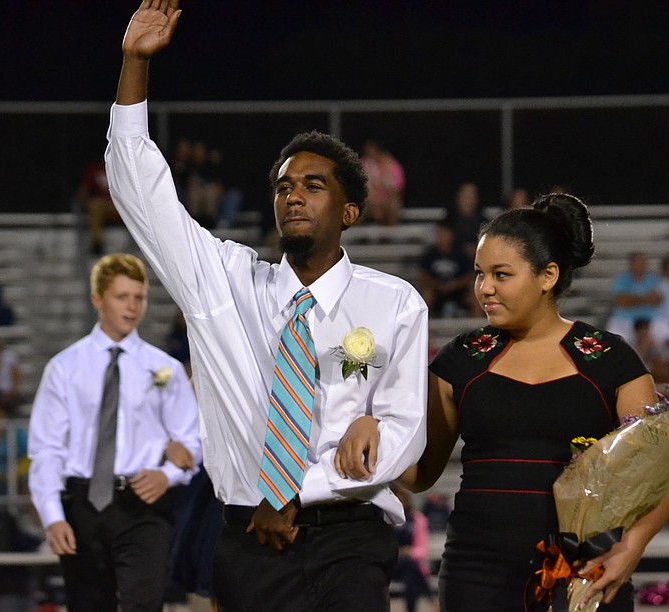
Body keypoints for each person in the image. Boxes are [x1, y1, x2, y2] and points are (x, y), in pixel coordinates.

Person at [105, 3, 428, 611]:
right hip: (249, 540)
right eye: (284, 186)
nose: (294, 196)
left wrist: (296, 493)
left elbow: (403, 432)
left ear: (349, 212)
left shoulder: (394, 303)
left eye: (313, 185)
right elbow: (139, 191)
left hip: (350, 539)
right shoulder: (222, 282)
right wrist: (134, 64)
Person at [345, 194, 669, 610]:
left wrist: (629, 550)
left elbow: (659, 481)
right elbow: (420, 473)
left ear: (548, 275)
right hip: (475, 575)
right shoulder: (459, 360)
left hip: (583, 575)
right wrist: (371, 426)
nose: (484, 288)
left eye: (501, 275)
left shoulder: (612, 361)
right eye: (479, 274)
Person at [27, 253, 201, 612]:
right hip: (82, 505)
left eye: (139, 297)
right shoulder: (64, 368)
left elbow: (192, 441)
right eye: (122, 297)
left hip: (145, 507)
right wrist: (52, 516)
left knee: (144, 604)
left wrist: (166, 476)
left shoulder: (163, 369)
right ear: (97, 300)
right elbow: (46, 449)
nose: (132, 306)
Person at [605, 251, 669, 346]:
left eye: (644, 263)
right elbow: (621, 301)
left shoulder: (653, 280)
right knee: (613, 341)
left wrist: (634, 299)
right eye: (639, 263)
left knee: (668, 335)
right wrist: (645, 299)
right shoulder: (621, 280)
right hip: (626, 319)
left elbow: (657, 300)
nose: (642, 265)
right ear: (631, 264)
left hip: (651, 318)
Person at [392, 485, 437, 612]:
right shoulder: (387, 520)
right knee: (411, 568)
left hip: (409, 563)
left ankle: (411, 609)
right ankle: (431, 598)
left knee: (410, 572)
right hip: (392, 562)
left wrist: (408, 552)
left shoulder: (418, 520)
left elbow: (422, 551)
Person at [418, 221, 476, 318]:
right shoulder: (430, 254)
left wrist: (455, 285)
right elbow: (424, 275)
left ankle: (477, 326)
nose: (443, 237)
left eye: (445, 234)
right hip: (436, 290)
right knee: (426, 296)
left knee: (475, 299)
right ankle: (425, 325)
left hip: (459, 290)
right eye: (440, 234)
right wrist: (438, 285)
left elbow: (469, 275)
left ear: (451, 235)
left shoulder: (461, 254)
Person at [78, 158, 121, 255]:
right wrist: (83, 205)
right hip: (101, 206)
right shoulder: (95, 169)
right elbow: (84, 191)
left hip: (118, 206)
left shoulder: (120, 169)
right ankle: (97, 243)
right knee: (95, 206)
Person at [362, 138, 405, 226]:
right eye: (369, 151)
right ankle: (358, 233)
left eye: (374, 151)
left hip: (386, 202)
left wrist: (387, 176)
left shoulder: (392, 166)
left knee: (393, 204)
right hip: (369, 201)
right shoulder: (362, 165)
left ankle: (391, 231)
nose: (372, 154)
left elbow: (398, 190)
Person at [444, 182, 486, 260]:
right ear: (457, 197)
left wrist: (476, 248)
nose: (469, 200)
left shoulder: (485, 223)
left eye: (472, 196)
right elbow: (443, 246)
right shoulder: (447, 222)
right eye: (466, 196)